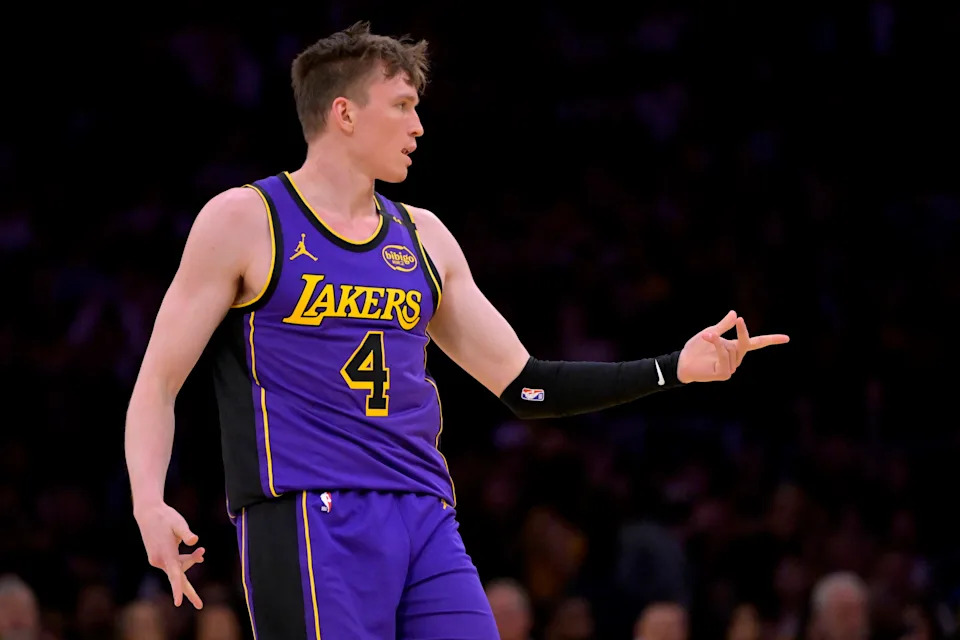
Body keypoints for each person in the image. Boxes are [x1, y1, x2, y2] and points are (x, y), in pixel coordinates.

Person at [124, 20, 790, 640]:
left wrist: (675, 367)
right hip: (309, 514)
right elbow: (158, 381)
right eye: (403, 105)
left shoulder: (425, 237)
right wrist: (149, 503)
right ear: (345, 113)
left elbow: (527, 387)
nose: (419, 125)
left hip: (425, 515)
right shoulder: (246, 218)